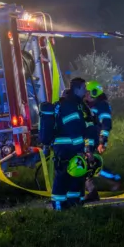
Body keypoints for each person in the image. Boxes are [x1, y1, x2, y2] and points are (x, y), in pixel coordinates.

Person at [48, 77, 94, 210]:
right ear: (77, 88)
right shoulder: (69, 105)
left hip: (70, 146)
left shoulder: (76, 104)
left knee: (76, 176)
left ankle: (73, 205)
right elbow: (73, 129)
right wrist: (82, 149)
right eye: (84, 88)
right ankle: (58, 206)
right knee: (63, 177)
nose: (86, 91)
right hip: (66, 147)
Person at [83, 80, 121, 202]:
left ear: (95, 92)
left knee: (92, 165)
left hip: (94, 140)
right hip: (88, 139)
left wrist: (102, 142)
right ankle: (95, 190)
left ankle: (114, 179)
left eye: (88, 93)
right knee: (91, 165)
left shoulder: (102, 106)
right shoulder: (90, 106)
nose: (86, 95)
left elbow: (106, 125)